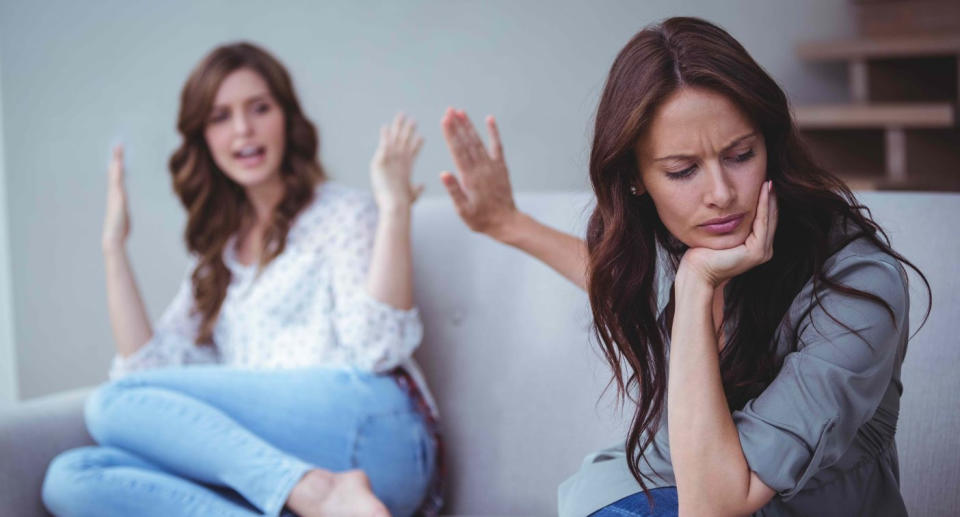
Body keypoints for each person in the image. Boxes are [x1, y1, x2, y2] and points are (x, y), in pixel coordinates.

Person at [438, 17, 929, 517]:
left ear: (770, 145)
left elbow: (712, 505)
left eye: (740, 155)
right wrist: (508, 225)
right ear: (635, 178)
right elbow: (616, 278)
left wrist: (696, 286)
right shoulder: (676, 242)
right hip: (653, 487)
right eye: (683, 170)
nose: (720, 194)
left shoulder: (858, 286)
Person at [41, 42, 440, 517]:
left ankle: (315, 492)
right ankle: (305, 491)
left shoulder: (342, 213)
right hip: (288, 467)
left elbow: (379, 349)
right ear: (203, 138)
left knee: (109, 404)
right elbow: (147, 375)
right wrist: (113, 248)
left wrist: (394, 210)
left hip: (377, 436)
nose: (243, 129)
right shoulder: (218, 257)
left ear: (287, 119)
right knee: (71, 478)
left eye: (259, 108)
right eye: (220, 117)